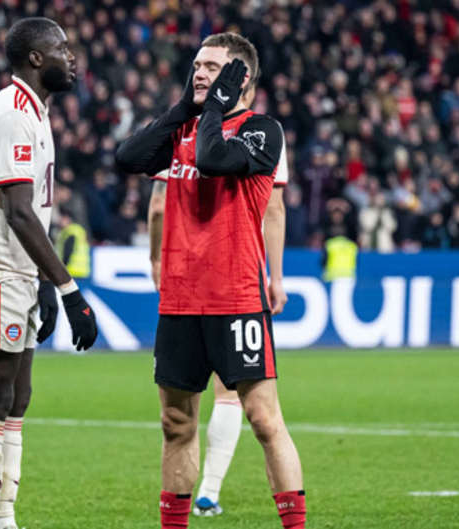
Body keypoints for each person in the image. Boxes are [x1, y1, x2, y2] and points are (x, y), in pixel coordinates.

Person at [116, 33, 305, 529]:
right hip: (179, 300)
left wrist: (214, 109)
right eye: (196, 65)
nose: (199, 73)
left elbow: (213, 158)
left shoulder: (263, 131)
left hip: (236, 298)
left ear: (239, 78)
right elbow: (128, 157)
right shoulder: (185, 128)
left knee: (264, 421)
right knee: (175, 424)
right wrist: (184, 107)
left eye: (212, 67)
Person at [0, 18, 98, 529]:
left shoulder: (34, 111)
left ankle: (4, 517)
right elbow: (20, 212)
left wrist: (39, 281)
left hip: (13, 269)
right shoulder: (12, 114)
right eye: (61, 48)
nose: (71, 57)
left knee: (18, 395)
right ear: (35, 58)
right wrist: (67, 288)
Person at [147, 123, 290, 519]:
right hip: (237, 278)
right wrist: (275, 277)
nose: (201, 74)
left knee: (179, 418)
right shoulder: (266, 131)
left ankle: (205, 493)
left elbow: (158, 204)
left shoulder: (184, 132)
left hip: (188, 280)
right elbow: (274, 208)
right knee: (243, 403)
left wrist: (156, 258)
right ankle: (209, 489)